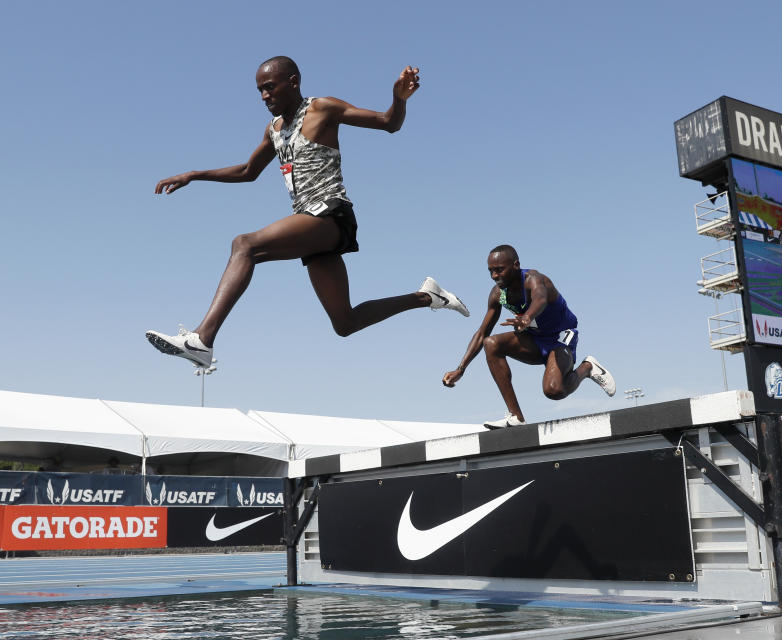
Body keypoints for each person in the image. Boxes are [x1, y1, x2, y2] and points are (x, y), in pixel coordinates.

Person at [147, 57, 468, 368]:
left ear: (293, 82)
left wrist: (399, 100)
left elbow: (389, 124)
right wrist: (192, 174)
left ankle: (202, 339)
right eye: (260, 90)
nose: (264, 96)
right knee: (345, 322)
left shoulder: (322, 108)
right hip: (311, 228)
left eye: (270, 87)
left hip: (331, 216)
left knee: (244, 244)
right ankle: (427, 297)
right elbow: (247, 170)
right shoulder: (273, 129)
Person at [442, 245, 615, 428]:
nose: (494, 276)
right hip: (535, 340)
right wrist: (461, 368)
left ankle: (587, 368)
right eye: (491, 271)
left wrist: (527, 317)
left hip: (561, 337)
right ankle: (516, 417)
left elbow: (540, 299)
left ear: (515, 265)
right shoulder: (498, 294)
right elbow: (482, 332)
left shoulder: (534, 279)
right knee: (491, 343)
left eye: (499, 270)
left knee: (554, 390)